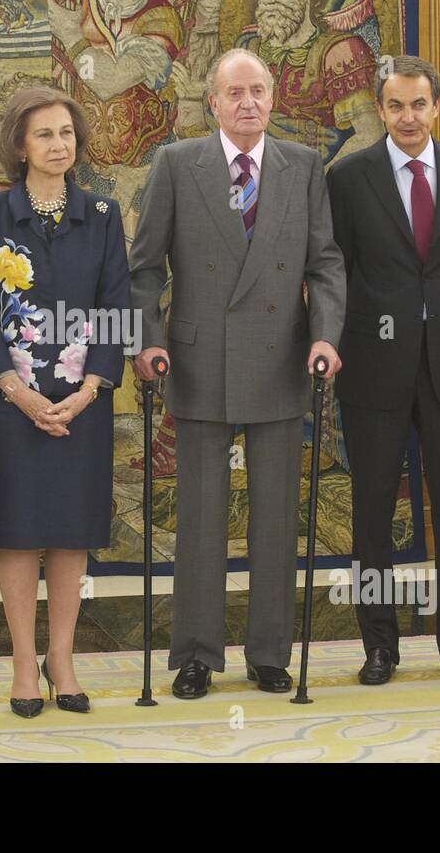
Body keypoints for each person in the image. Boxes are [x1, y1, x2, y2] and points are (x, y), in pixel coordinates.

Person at [130, 48, 346, 699]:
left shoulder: (304, 167)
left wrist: (326, 338)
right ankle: (195, 655)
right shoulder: (175, 164)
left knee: (277, 519)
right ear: (213, 103)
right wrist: (147, 341)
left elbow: (325, 263)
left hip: (281, 360)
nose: (249, 102)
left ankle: (269, 653)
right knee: (200, 521)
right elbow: (143, 271)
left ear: (272, 99)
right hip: (199, 362)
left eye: (259, 91)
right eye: (236, 93)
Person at [0, 86, 129, 717]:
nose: (59, 145)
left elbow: (117, 309)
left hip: (82, 399)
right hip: (12, 400)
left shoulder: (105, 214)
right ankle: (24, 664)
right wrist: (18, 392)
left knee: (68, 531)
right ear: (19, 146)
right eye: (44, 135)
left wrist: (88, 391)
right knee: (18, 531)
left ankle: (62, 657)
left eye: (67, 134)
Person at [327, 55, 440, 685]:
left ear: (436, 106)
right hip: (372, 366)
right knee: (373, 511)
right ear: (380, 109)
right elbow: (338, 271)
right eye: (395, 105)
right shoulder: (348, 178)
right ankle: (379, 645)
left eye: (418, 104)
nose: (407, 116)